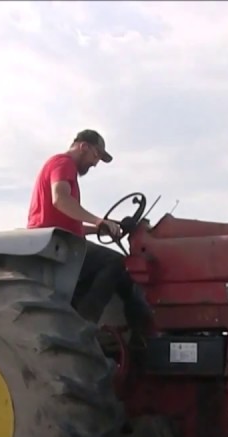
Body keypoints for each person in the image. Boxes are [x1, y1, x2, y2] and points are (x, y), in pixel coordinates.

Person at [26, 129, 152, 332]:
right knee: (116, 263)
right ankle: (85, 325)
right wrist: (98, 220)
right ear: (83, 146)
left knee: (101, 265)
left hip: (61, 240)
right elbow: (60, 199)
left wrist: (99, 229)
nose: (95, 163)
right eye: (96, 156)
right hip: (56, 244)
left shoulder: (63, 169)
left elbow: (67, 222)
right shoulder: (63, 162)